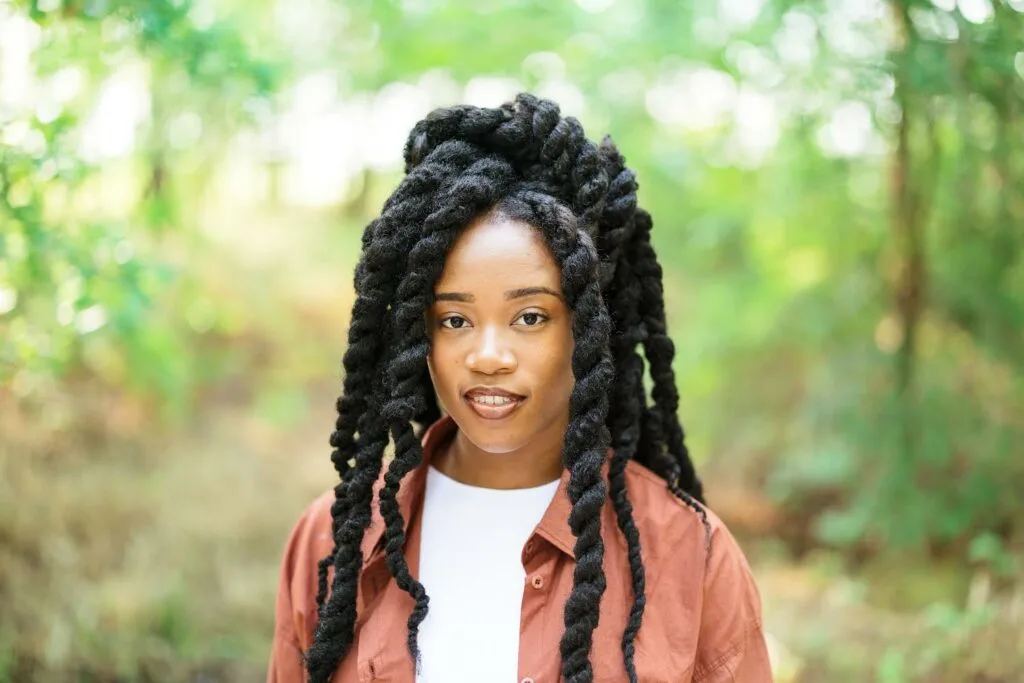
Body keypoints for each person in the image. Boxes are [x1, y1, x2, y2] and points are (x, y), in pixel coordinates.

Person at [267, 93, 772, 683]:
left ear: (587, 327)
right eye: (455, 320)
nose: (487, 357)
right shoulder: (331, 544)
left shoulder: (690, 555)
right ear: (417, 335)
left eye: (530, 317)